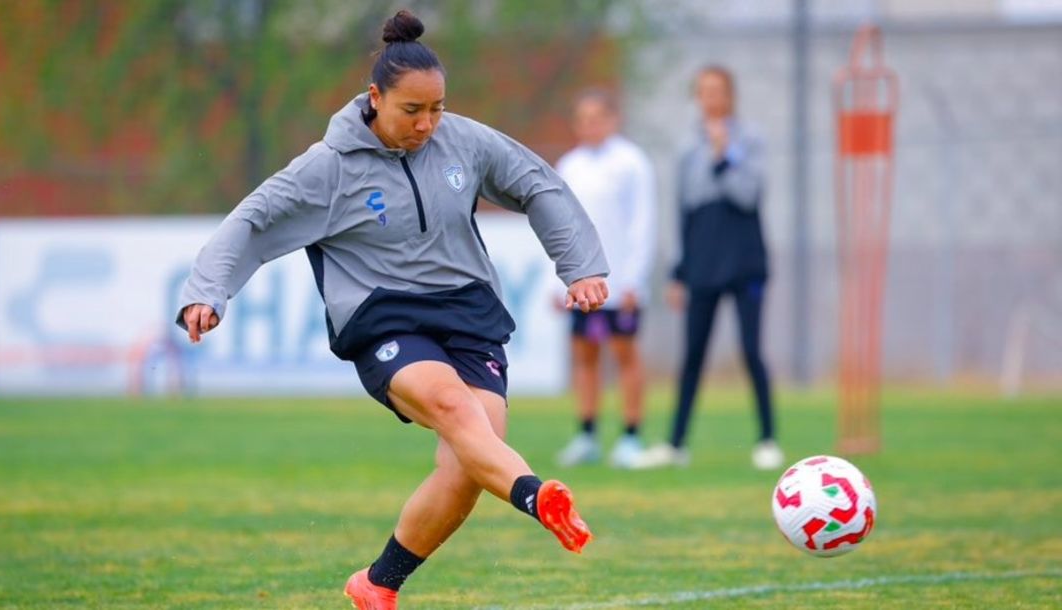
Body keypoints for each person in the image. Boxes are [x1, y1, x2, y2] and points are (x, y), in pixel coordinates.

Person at [175, 11, 609, 609]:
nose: (428, 123)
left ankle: (378, 584)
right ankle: (538, 497)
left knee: (469, 463)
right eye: (412, 111)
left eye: (437, 108)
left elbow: (538, 184)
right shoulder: (327, 168)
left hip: (467, 314)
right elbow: (255, 220)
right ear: (375, 98)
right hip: (384, 318)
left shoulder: (464, 140)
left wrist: (581, 265)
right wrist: (208, 289)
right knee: (456, 409)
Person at [632, 65, 783, 471]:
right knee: (694, 355)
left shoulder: (750, 140)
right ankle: (675, 443)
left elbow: (749, 195)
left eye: (718, 90)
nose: (711, 98)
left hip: (745, 261)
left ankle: (768, 439)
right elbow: (683, 211)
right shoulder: (685, 148)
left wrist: (723, 155)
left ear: (731, 95)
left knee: (751, 350)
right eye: (704, 91)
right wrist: (678, 272)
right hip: (702, 263)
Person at [553, 89, 657, 468]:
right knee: (584, 356)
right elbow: (559, 227)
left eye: (597, 116)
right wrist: (558, 282)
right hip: (583, 283)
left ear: (613, 119)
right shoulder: (570, 166)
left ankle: (631, 436)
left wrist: (634, 280)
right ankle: (587, 434)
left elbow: (642, 222)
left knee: (625, 355)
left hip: (620, 284)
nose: (590, 125)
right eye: (583, 118)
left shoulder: (631, 162)